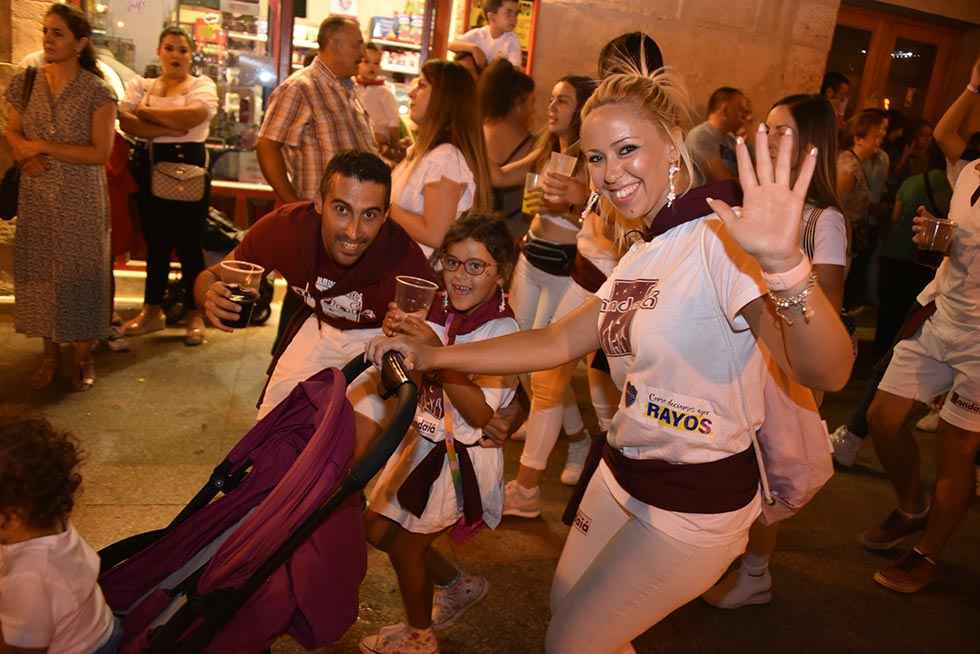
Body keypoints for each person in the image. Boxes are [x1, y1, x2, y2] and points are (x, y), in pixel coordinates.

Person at [367, 65, 853, 654]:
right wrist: (437, 352)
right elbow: (556, 341)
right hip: (620, 475)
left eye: (627, 150)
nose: (610, 172)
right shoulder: (645, 250)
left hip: (693, 505)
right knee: (568, 615)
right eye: (596, 158)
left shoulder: (718, 239)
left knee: (573, 642)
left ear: (673, 148)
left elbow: (827, 371)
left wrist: (787, 266)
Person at [701, 94, 848, 609]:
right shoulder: (746, 205)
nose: (767, 140)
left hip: (787, 365)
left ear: (810, 146)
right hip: (746, 355)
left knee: (771, 473)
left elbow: (825, 305)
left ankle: (756, 572)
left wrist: (777, 274)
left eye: (781, 131)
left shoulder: (821, 219)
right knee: (740, 463)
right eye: (764, 129)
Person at [196, 151, 433, 449]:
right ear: (319, 203)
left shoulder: (404, 258)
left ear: (386, 215)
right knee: (267, 442)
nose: (353, 231)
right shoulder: (284, 228)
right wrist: (209, 296)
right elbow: (212, 277)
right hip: (318, 325)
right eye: (342, 209)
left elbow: (435, 343)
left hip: (378, 338)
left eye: (370, 214)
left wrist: (413, 335)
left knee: (347, 455)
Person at [359, 214, 519, 654]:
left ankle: (420, 637)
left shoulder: (501, 331)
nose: (459, 276)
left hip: (457, 458)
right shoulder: (444, 312)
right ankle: (456, 583)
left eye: (475, 266)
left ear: (501, 273)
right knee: (375, 529)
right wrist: (403, 339)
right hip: (422, 442)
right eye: (452, 263)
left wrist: (435, 351)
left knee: (408, 549)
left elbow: (483, 414)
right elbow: (418, 377)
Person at [483, 75, 599, 517]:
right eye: (550, 99)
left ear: (583, 108)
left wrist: (569, 204)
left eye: (563, 101)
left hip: (567, 268)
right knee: (527, 364)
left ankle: (573, 445)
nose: (552, 107)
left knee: (547, 369)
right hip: (532, 255)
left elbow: (601, 213)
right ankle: (578, 438)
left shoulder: (590, 159)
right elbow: (500, 175)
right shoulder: (548, 146)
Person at [3, 3, 117, 392]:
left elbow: (100, 153)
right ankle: (49, 354)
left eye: (58, 33)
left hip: (80, 196)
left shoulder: (97, 92)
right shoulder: (27, 81)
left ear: (80, 42)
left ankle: (82, 356)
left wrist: (42, 148)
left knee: (81, 276)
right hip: (37, 193)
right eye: (46, 31)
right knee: (39, 273)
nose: (48, 39)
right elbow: (12, 132)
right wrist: (24, 153)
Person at [256, 16, 376, 352]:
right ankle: (281, 381)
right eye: (357, 44)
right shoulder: (302, 88)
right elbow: (268, 144)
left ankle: (314, 382)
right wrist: (291, 202)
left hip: (348, 224)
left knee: (327, 309)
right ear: (334, 43)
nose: (363, 52)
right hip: (319, 224)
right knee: (305, 303)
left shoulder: (348, 91)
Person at [117, 26, 219, 347]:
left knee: (191, 247)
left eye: (183, 50)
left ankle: (195, 314)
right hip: (151, 171)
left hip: (191, 173)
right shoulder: (141, 83)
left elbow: (195, 115)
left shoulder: (202, 85)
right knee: (156, 245)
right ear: (159, 52)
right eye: (170, 48)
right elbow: (125, 120)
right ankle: (152, 311)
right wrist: (173, 122)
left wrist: (147, 114)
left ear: (191, 55)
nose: (176, 55)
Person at [0, 415, 121, 653]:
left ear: (14, 515)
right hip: (101, 630)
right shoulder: (53, 523)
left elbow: (21, 651)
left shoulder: (29, 577)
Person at [389, 60, 491, 257]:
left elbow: (436, 233)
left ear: (444, 98)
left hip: (416, 273)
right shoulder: (428, 153)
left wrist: (383, 206)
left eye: (422, 85)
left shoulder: (445, 159)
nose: (411, 93)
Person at [873, 144, 951, 359]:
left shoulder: (911, 182)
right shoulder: (953, 187)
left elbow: (896, 216)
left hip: (895, 253)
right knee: (910, 313)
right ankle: (898, 355)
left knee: (889, 310)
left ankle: (879, 354)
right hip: (924, 260)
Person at [479, 59, 536, 239]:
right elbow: (531, 208)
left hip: (469, 239)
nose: (533, 110)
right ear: (518, 103)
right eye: (531, 102)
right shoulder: (537, 148)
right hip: (514, 241)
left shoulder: (472, 136)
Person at [839, 109, 887, 309]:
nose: (879, 142)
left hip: (851, 236)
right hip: (842, 237)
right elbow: (837, 208)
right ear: (859, 138)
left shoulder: (857, 163)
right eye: (876, 137)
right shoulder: (848, 167)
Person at [685, 86, 751, 182]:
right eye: (740, 109)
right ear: (724, 110)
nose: (746, 116)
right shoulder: (701, 136)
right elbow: (723, 181)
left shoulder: (731, 139)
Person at [449, 0, 522, 70]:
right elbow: (450, 45)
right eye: (508, 13)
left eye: (516, 14)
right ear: (491, 17)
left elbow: (515, 68)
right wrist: (474, 49)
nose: (514, 19)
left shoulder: (512, 40)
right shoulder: (478, 34)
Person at [356, 43, 402, 149]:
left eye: (376, 63)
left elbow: (393, 120)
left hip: (381, 140)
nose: (372, 67)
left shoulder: (384, 92)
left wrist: (394, 143)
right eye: (366, 62)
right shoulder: (352, 87)